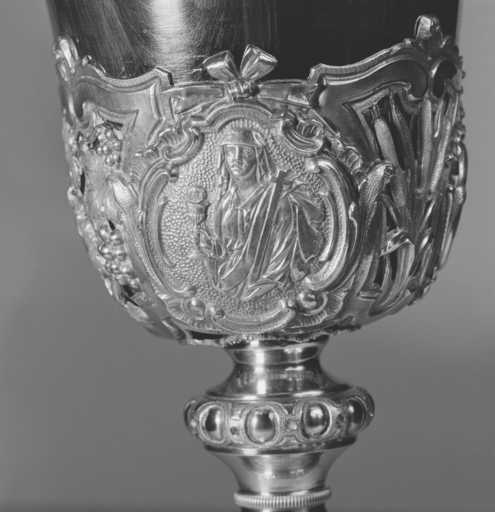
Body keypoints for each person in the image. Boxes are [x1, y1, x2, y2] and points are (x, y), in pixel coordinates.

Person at [198, 125, 324, 302]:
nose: (237, 158)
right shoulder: (224, 203)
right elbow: (222, 251)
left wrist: (256, 288)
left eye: (246, 151)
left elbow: (278, 267)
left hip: (264, 287)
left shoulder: (278, 202)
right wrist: (208, 248)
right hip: (227, 283)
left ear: (258, 155)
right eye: (230, 151)